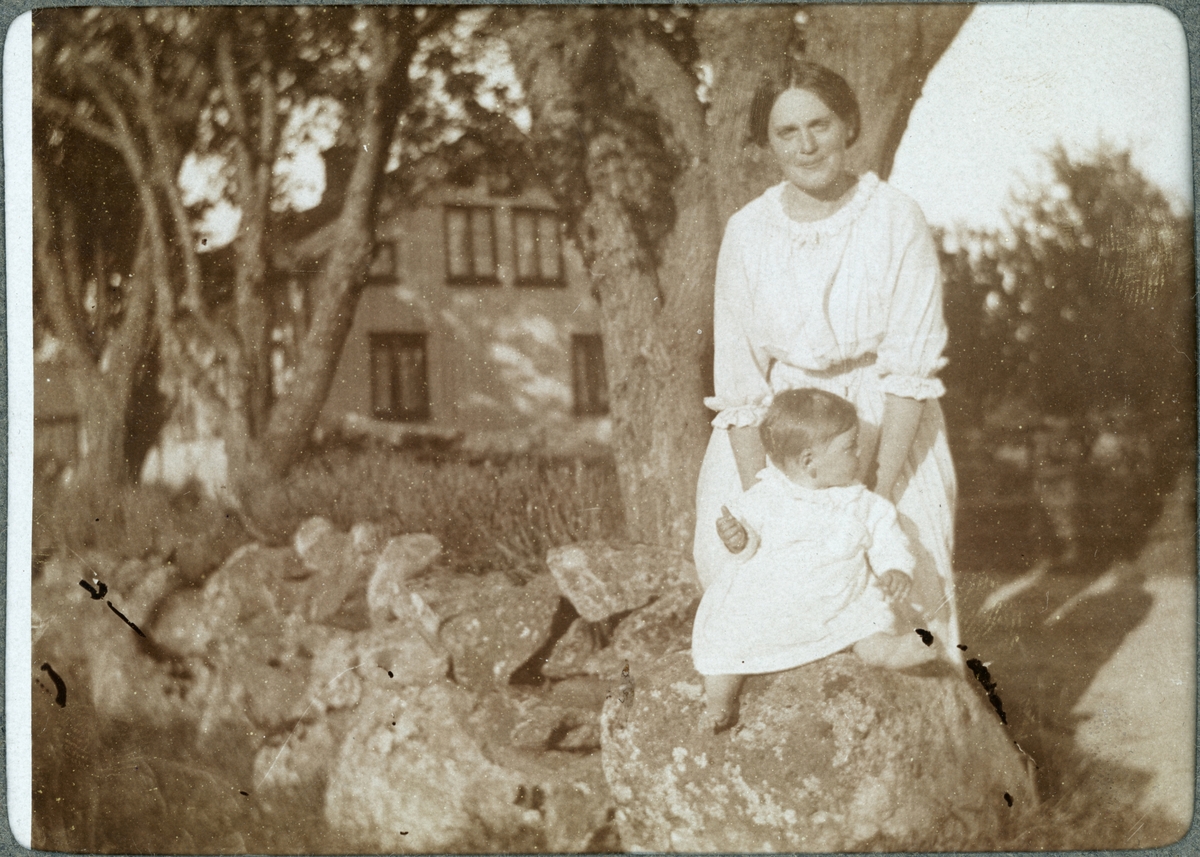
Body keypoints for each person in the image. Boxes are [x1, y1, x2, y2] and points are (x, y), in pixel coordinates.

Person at [693, 59, 960, 663]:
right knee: (752, 583)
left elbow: (910, 370)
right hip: (779, 430)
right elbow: (740, 384)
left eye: (819, 125)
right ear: (768, 143)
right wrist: (769, 501)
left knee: (903, 587)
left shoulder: (895, 218)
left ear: (848, 126)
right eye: (787, 132)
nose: (806, 145)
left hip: (884, 421)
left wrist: (874, 494)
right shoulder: (747, 231)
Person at [693, 389, 937, 732]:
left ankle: (888, 651)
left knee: (868, 623)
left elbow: (888, 538)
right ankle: (720, 699)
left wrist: (894, 567)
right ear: (809, 461)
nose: (860, 453)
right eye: (850, 447)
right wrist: (738, 539)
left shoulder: (861, 503)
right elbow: (746, 544)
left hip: (839, 596)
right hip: (773, 602)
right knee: (725, 639)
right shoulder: (765, 496)